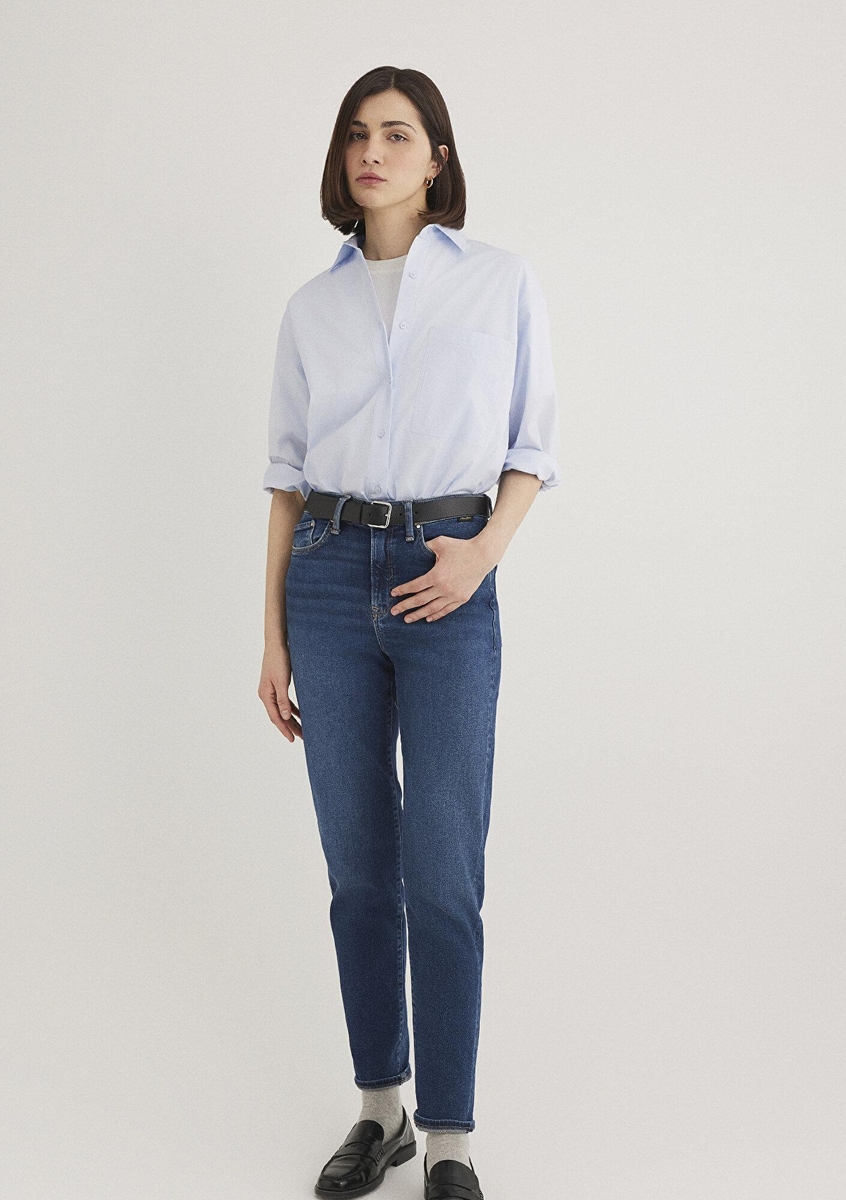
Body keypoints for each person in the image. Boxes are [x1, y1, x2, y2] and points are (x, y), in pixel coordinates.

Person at [258, 66, 561, 1200]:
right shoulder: (311, 309)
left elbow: (532, 449)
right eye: (356, 134)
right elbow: (285, 481)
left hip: (447, 580)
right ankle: (380, 1110)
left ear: (438, 157)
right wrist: (272, 635)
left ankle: (449, 1138)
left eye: (396, 134)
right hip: (328, 581)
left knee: (442, 874)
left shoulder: (500, 282)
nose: (371, 152)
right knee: (356, 872)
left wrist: (482, 555)